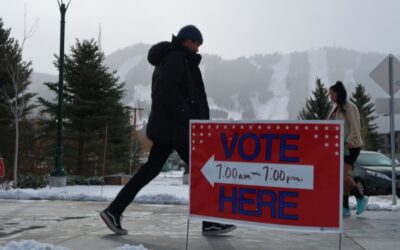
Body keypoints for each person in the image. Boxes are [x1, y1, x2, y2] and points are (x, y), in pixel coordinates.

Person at [100, 25, 236, 236]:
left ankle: (113, 211)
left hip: (172, 129)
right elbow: (168, 92)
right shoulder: (175, 58)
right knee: (205, 169)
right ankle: (210, 221)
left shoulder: (178, 58)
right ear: (187, 41)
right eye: (197, 43)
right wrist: (190, 117)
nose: (198, 48)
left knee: (153, 170)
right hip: (176, 129)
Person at [327, 81, 369, 217]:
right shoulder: (336, 108)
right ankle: (345, 207)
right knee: (343, 177)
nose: (330, 96)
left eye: (332, 94)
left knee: (342, 175)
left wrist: (349, 142)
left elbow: (355, 127)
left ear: (338, 93)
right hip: (339, 147)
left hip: (351, 146)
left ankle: (361, 197)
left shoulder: (349, 107)